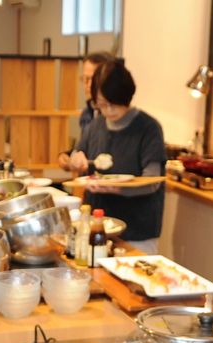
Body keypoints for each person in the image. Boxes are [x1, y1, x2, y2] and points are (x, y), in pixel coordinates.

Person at [67, 59, 166, 253]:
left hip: (137, 231)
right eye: (102, 105)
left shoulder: (148, 128)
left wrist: (115, 189)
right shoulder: (94, 127)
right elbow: (78, 155)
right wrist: (75, 159)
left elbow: (152, 181)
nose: (108, 111)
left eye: (114, 104)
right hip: (97, 227)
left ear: (126, 97)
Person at [57, 52, 114, 172]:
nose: (87, 85)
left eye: (91, 79)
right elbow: (83, 149)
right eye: (84, 79)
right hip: (88, 184)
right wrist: (68, 157)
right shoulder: (87, 113)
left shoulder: (114, 115)